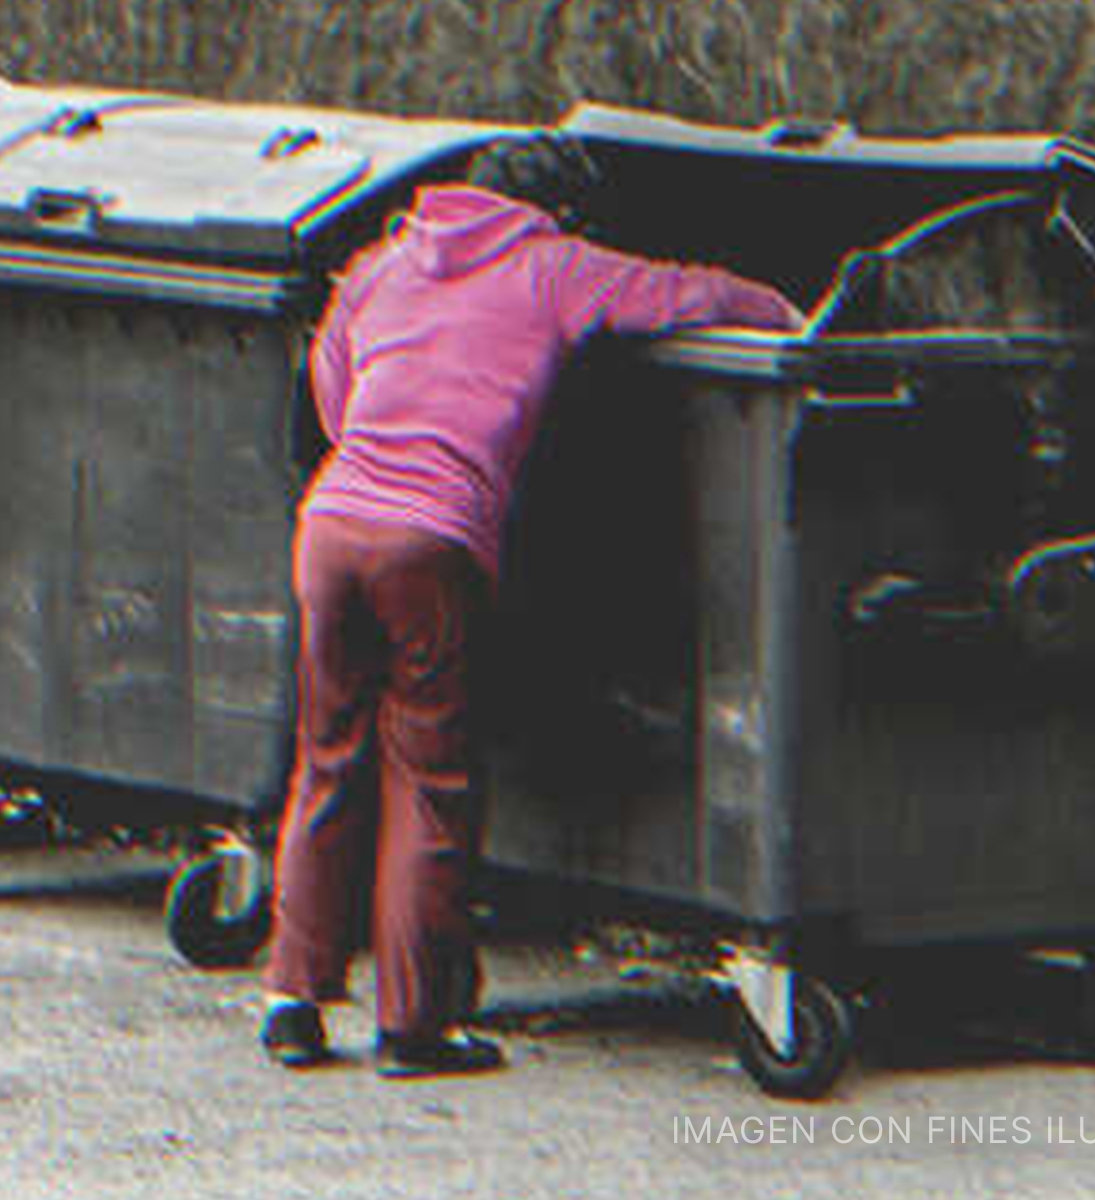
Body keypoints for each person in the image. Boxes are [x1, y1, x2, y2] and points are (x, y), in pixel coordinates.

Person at [259, 133, 803, 1078]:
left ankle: (291, 1004)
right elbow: (690, 295)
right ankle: (414, 1029)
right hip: (432, 539)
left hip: (333, 525)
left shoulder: (382, 262)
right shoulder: (553, 269)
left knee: (326, 759)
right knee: (428, 777)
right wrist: (788, 310)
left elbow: (331, 379)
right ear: (554, 210)